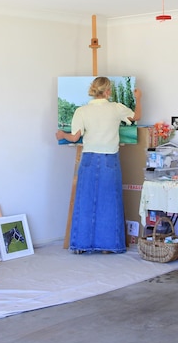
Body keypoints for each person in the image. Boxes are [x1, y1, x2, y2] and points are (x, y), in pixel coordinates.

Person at [56, 77, 141, 253]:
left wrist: (61, 135)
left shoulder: (82, 110)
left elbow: (74, 137)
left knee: (85, 201)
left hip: (89, 158)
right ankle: (108, 246)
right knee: (110, 202)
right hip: (110, 159)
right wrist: (138, 98)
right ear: (108, 91)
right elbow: (136, 117)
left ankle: (81, 245)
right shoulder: (116, 108)